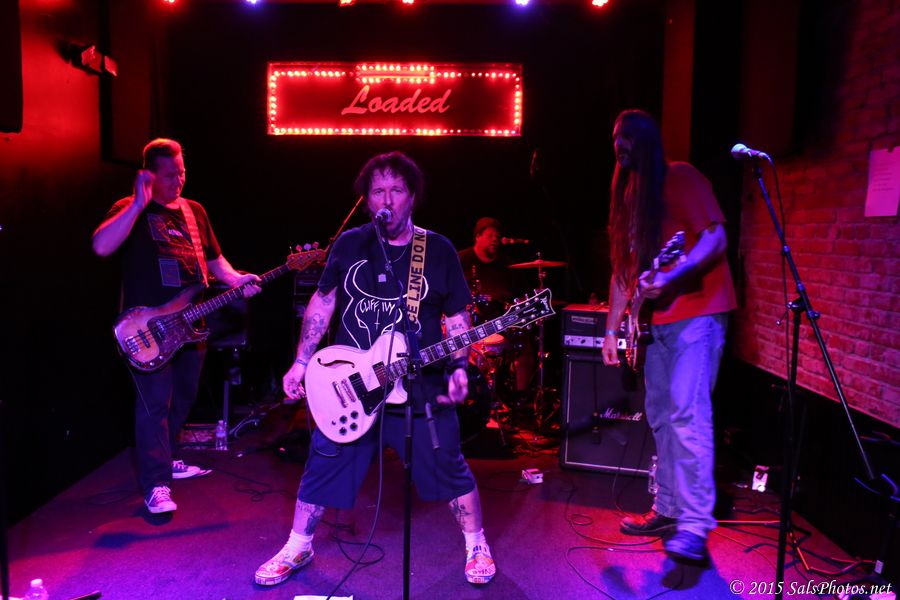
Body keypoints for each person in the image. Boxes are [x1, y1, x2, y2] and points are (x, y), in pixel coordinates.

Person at [254, 151, 496, 587]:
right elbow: (324, 300)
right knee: (324, 462)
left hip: (418, 381)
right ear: (366, 200)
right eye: (378, 190)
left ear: (412, 197)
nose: (387, 199)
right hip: (351, 382)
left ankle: (476, 543)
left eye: (396, 190)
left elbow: (458, 316)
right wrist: (302, 361)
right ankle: (298, 545)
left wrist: (460, 365)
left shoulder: (437, 249)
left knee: (446, 461)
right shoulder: (350, 244)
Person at [92, 138, 260, 514]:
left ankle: (167, 460)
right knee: (154, 404)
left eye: (182, 172)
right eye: (170, 175)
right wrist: (138, 203)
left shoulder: (193, 211)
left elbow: (215, 261)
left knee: (183, 397)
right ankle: (156, 485)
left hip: (190, 323)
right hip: (148, 329)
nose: (179, 180)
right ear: (149, 176)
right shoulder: (129, 208)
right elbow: (101, 246)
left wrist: (237, 279)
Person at [601, 110, 737, 562]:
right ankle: (669, 508)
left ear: (645, 140)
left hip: (700, 313)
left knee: (687, 413)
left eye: (626, 137)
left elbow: (715, 238)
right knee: (660, 416)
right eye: (615, 138)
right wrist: (612, 329)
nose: (619, 146)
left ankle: (695, 524)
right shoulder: (628, 197)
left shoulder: (680, 177)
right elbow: (623, 272)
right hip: (656, 324)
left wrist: (675, 273)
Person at [458, 217, 534, 397]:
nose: (495, 239)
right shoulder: (461, 260)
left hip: (501, 324)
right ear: (478, 237)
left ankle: (518, 399)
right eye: (490, 235)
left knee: (525, 348)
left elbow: (520, 298)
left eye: (497, 236)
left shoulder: (508, 266)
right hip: (467, 325)